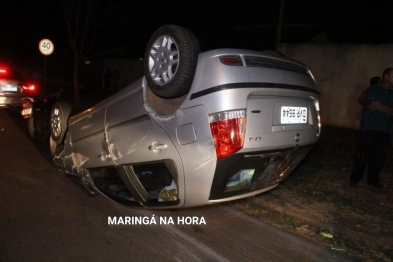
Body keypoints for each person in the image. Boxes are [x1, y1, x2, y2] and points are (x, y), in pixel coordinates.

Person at [350, 68, 393, 189]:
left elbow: (380, 106)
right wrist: (387, 109)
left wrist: (383, 108)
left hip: (385, 130)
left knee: (379, 158)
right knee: (363, 155)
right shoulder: (374, 89)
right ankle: (355, 178)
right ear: (386, 76)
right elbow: (376, 105)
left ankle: (373, 180)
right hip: (370, 128)